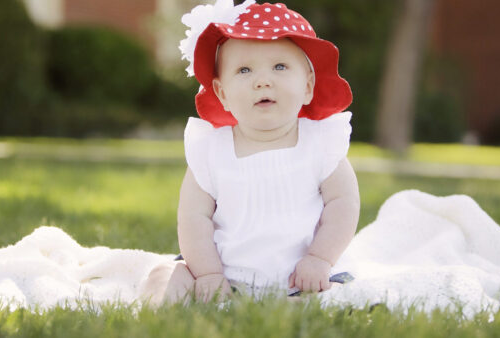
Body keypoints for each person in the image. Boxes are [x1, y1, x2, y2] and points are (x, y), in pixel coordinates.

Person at [141, 0, 360, 304]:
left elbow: (343, 203)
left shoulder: (321, 144)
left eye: (280, 67)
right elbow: (193, 218)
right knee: (165, 275)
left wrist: (320, 258)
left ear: (308, 86)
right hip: (224, 276)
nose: (262, 80)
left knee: (342, 297)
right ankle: (157, 316)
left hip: (303, 276)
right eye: (244, 70)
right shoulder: (211, 151)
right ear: (222, 93)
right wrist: (207, 274)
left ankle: (303, 301)